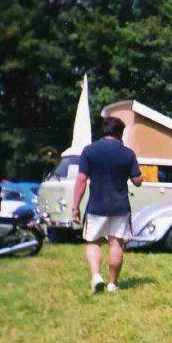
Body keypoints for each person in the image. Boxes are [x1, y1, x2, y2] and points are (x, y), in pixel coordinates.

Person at [72, 117, 142, 294]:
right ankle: (112, 284)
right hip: (120, 207)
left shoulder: (89, 151)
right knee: (116, 245)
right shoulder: (128, 154)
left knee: (93, 242)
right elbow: (137, 181)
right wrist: (140, 177)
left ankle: (96, 276)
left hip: (96, 206)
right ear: (120, 133)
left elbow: (81, 179)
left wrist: (75, 206)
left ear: (104, 130)